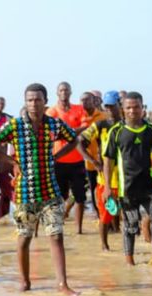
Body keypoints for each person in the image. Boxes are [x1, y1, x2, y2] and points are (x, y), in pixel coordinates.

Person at [0, 83, 79, 296]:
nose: (34, 104)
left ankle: (62, 284)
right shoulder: (15, 125)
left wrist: (57, 156)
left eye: (37, 100)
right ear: (25, 102)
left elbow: (74, 139)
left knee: (56, 236)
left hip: (51, 191)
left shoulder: (54, 124)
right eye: (30, 100)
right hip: (25, 192)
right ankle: (25, 282)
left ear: (45, 102)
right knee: (24, 238)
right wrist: (11, 161)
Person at [102, 92, 152, 265]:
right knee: (131, 225)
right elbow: (108, 161)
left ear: (142, 107)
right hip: (127, 188)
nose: (132, 111)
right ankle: (129, 263)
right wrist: (107, 186)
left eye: (136, 107)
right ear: (123, 109)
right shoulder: (116, 131)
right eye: (128, 108)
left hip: (149, 186)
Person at [78, 90, 122, 251]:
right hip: (106, 179)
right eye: (107, 106)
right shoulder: (100, 125)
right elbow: (79, 142)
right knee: (105, 215)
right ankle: (105, 247)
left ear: (120, 105)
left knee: (125, 214)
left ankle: (124, 245)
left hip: (126, 177)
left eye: (113, 106)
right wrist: (93, 162)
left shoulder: (127, 125)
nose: (109, 109)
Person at [46, 82, 88, 235]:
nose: (64, 92)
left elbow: (85, 126)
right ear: (57, 93)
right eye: (61, 90)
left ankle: (79, 230)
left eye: (66, 90)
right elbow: (50, 132)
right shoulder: (52, 111)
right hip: (59, 161)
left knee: (80, 197)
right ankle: (57, 226)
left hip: (77, 160)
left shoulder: (79, 109)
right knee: (59, 197)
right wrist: (72, 132)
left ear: (70, 92)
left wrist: (65, 132)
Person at [79, 92, 109, 217]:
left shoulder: (104, 116)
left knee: (106, 189)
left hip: (104, 161)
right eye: (82, 100)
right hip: (87, 162)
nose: (85, 102)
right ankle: (99, 215)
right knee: (92, 190)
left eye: (88, 99)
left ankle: (109, 218)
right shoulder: (79, 117)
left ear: (94, 101)